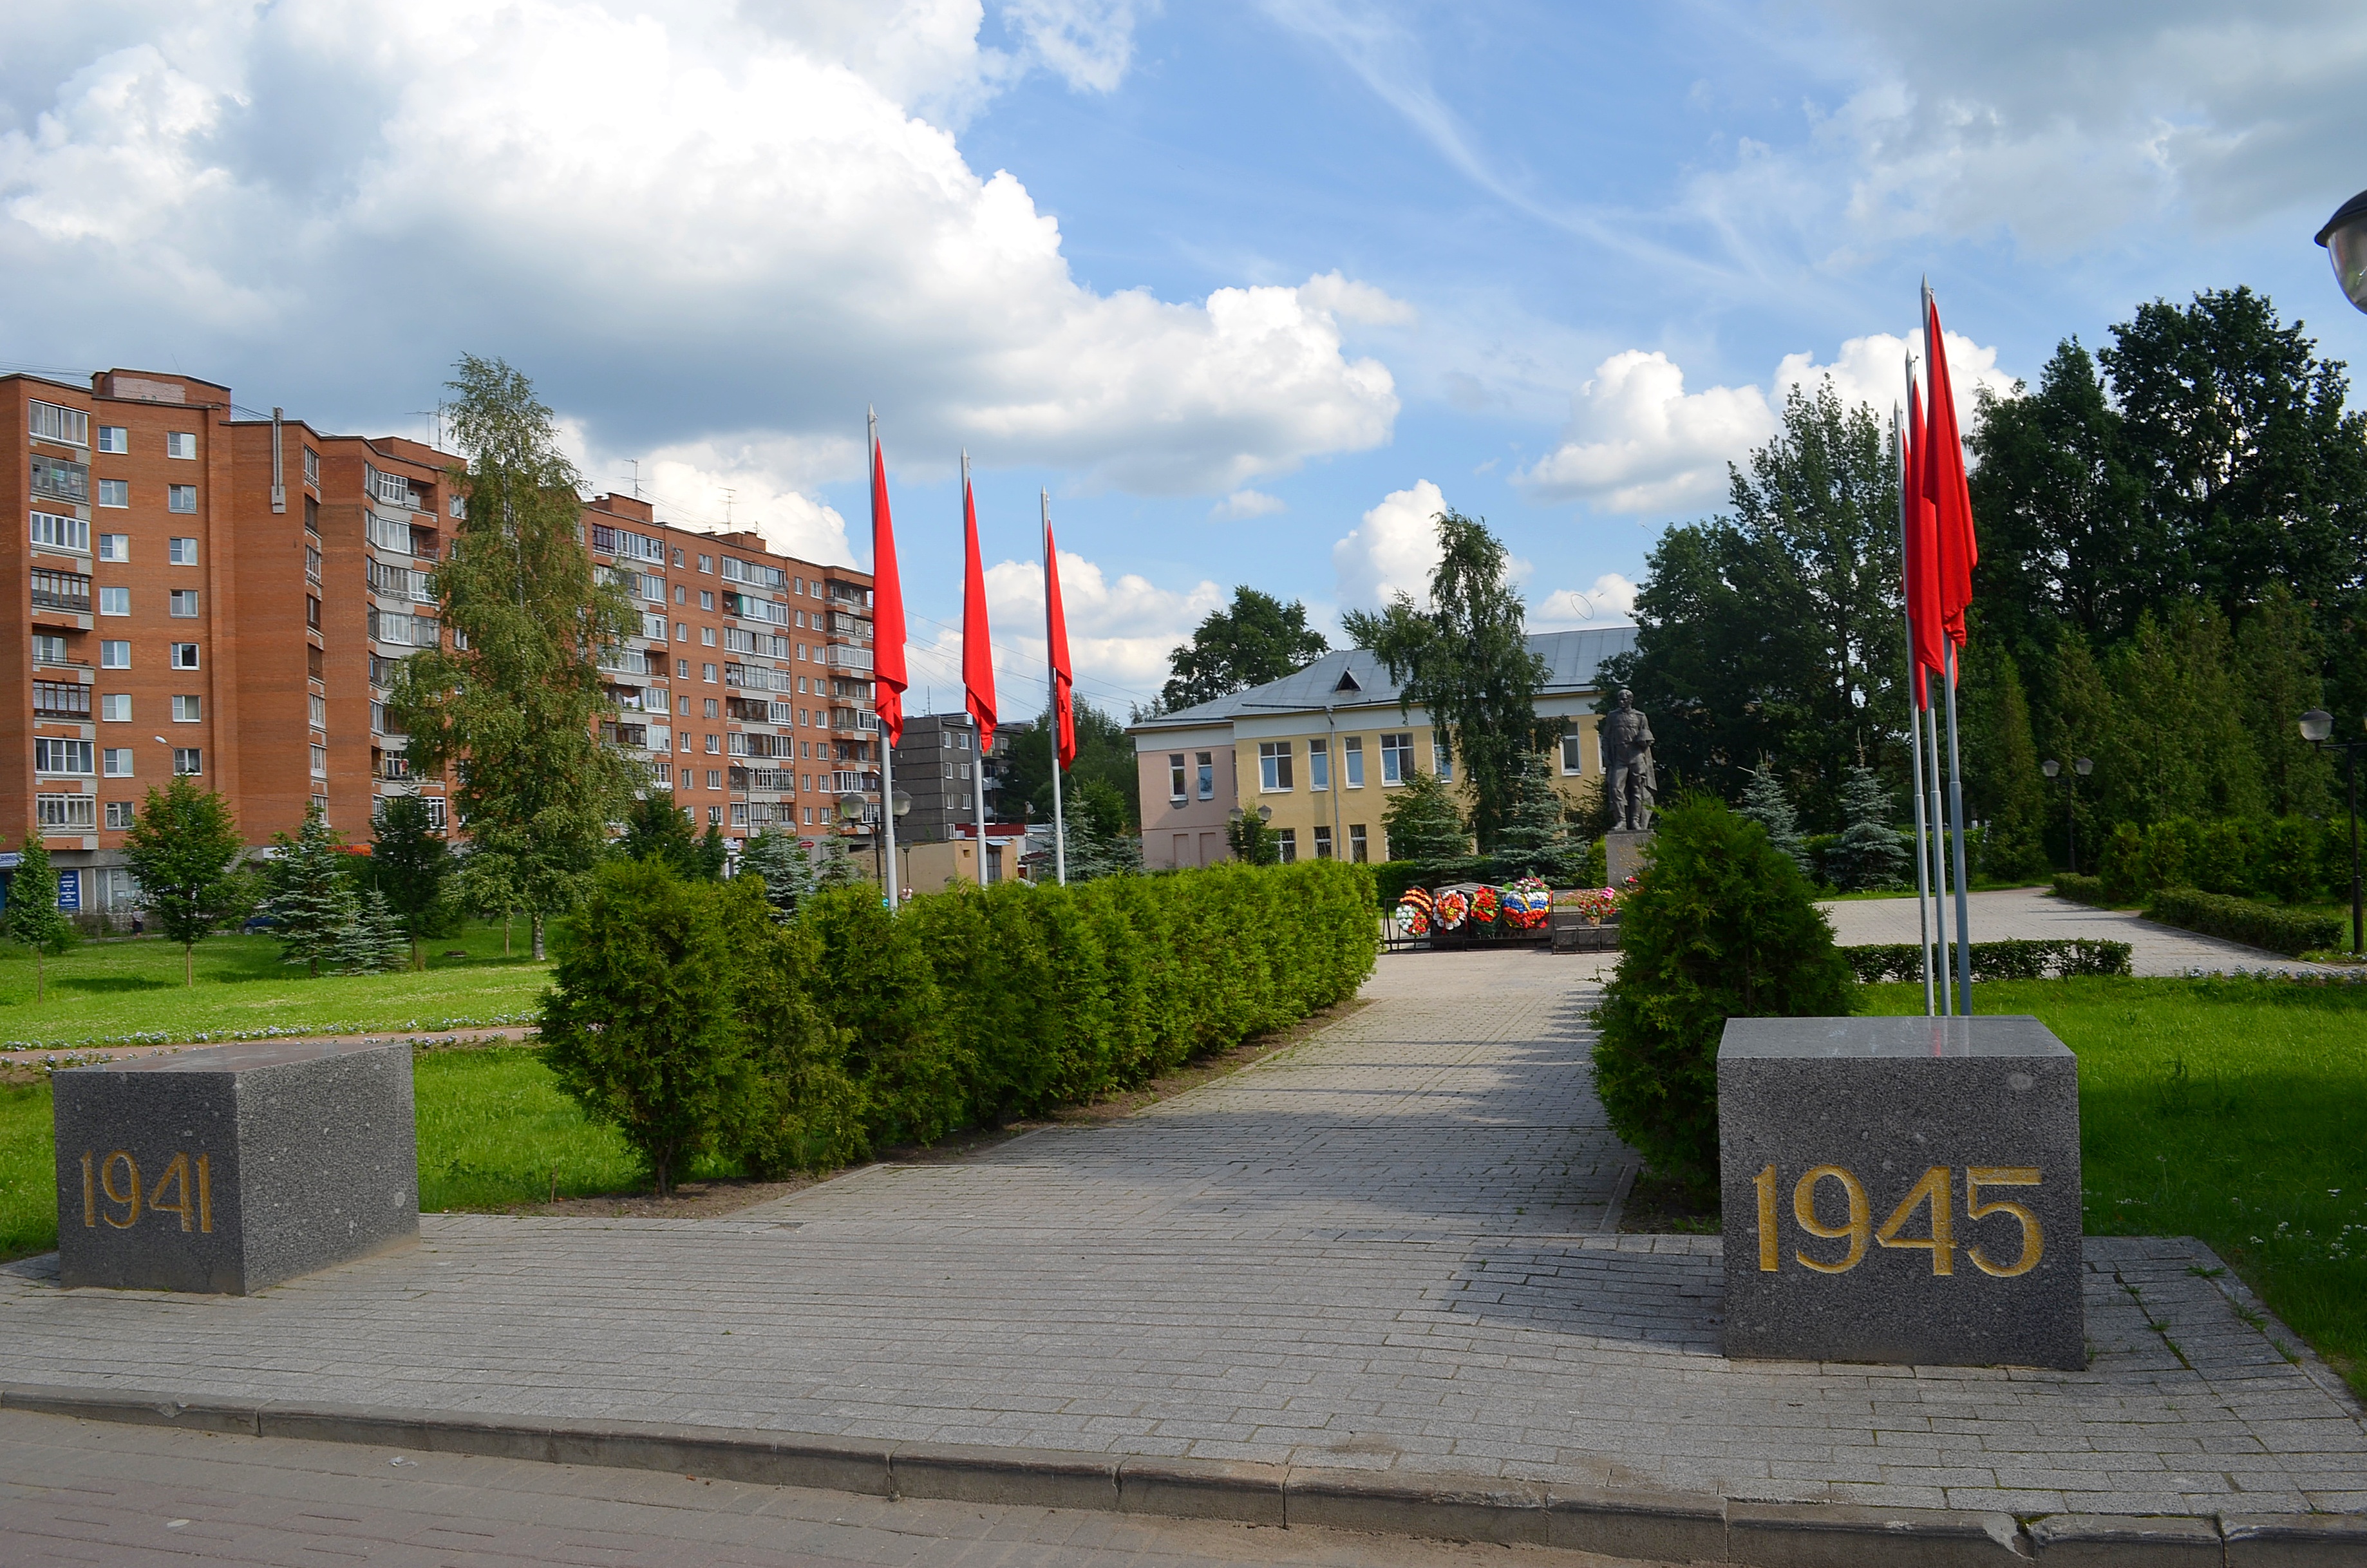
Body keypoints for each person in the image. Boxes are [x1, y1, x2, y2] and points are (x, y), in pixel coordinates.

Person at [1600, 689, 1657, 832]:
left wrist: (1645, 742)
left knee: (1637, 790)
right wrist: (1606, 757)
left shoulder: (1640, 717)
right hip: (1620, 759)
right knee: (1615, 788)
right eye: (1620, 699)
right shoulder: (1613, 717)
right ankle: (1622, 821)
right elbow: (1606, 738)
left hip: (1636, 757)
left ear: (1631, 700)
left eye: (1624, 699)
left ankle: (1636, 821)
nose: (1621, 702)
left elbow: (1648, 737)